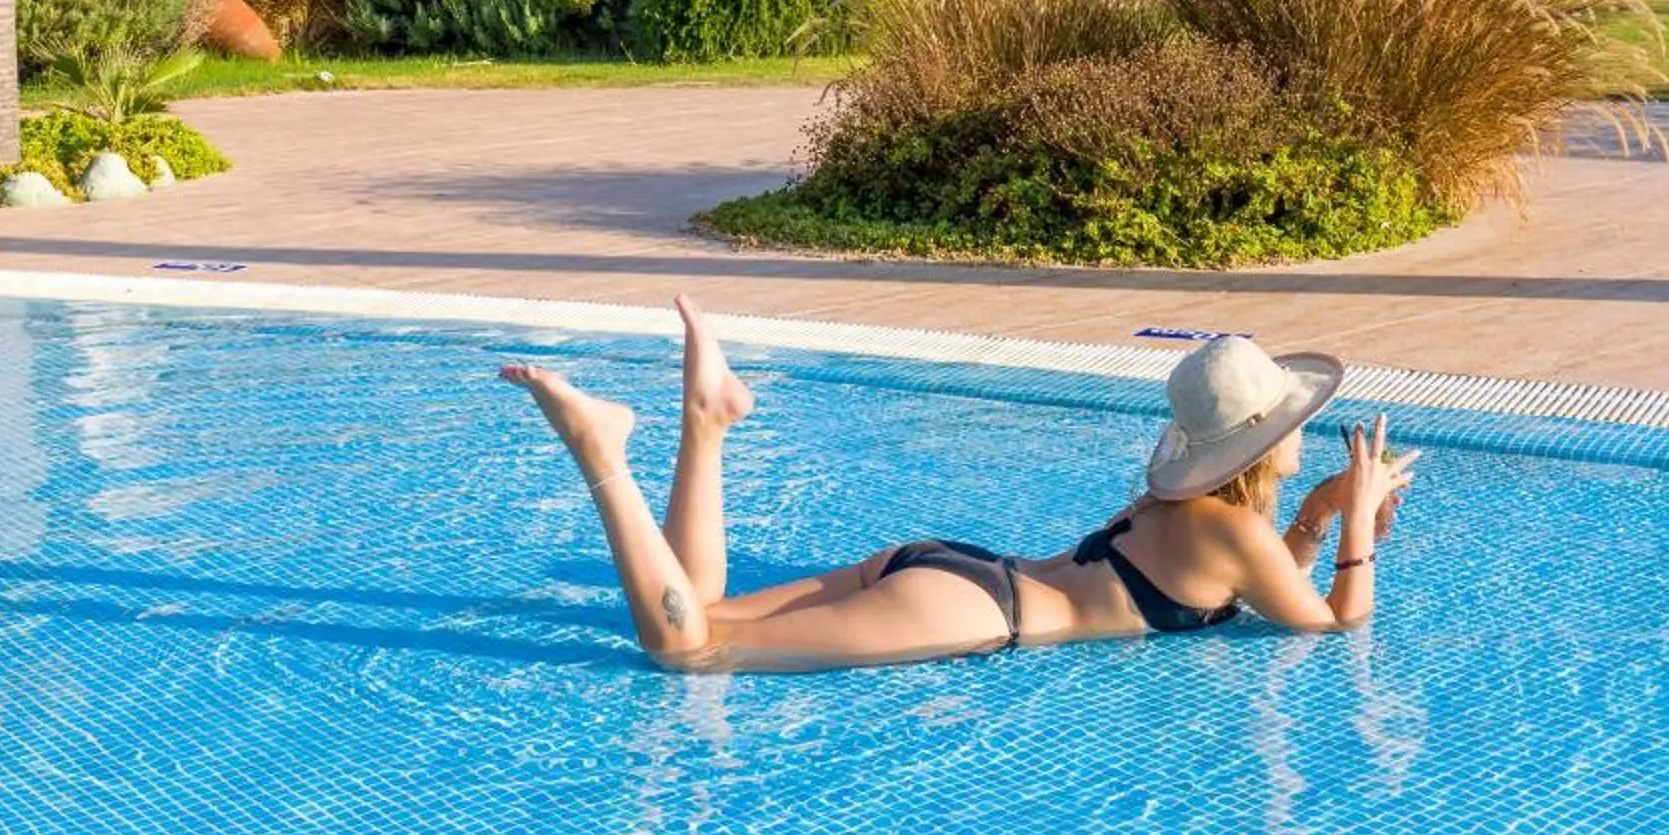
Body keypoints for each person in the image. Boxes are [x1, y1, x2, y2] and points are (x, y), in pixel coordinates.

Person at [503, 299, 1412, 673]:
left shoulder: (1182, 512)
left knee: (706, 605)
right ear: (1267, 443)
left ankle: (707, 423)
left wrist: (1327, 510)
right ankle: (604, 455)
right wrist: (1358, 525)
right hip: (973, 613)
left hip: (948, 565)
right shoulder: (1232, 534)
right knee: (686, 650)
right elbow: (1330, 622)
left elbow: (1263, 584)